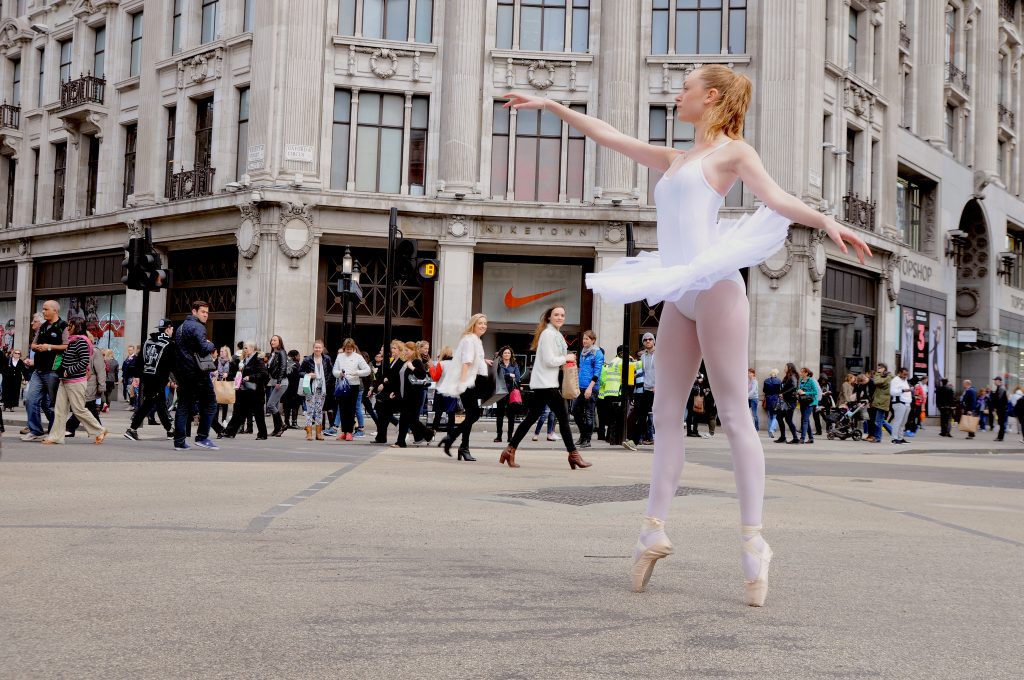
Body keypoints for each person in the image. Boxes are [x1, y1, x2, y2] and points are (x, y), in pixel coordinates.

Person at [506, 63, 872, 604]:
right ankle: (652, 528)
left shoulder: (733, 153)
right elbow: (613, 137)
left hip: (717, 286)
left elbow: (777, 198)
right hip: (679, 293)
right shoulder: (677, 160)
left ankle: (754, 541)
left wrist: (827, 223)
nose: (678, 96)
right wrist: (556, 109)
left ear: (713, 97)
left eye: (686, 89)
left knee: (733, 415)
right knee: (662, 415)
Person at [502, 306, 591, 470]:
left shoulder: (556, 335)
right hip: (546, 384)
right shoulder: (549, 334)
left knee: (531, 418)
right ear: (549, 317)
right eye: (556, 315)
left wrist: (567, 359)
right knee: (564, 418)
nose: (559, 317)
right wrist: (567, 357)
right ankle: (574, 455)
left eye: (562, 315)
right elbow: (549, 360)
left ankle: (510, 449)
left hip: (546, 383)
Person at [40, 316, 108, 446]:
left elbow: (83, 362)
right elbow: (65, 359)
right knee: (60, 409)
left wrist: (67, 371)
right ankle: (55, 436)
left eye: (69, 325)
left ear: (76, 326)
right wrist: (61, 371)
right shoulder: (70, 341)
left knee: (78, 410)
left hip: (76, 381)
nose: (67, 328)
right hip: (64, 380)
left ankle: (99, 430)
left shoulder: (81, 341)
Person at [438, 314, 491, 461]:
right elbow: (466, 362)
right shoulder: (470, 340)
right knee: (474, 415)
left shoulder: (475, 340)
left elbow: (472, 359)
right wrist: (462, 383)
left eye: (485, 323)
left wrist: (483, 360)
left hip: (473, 381)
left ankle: (461, 445)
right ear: (473, 324)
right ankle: (453, 440)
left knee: (471, 415)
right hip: (468, 382)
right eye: (480, 323)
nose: (483, 326)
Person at [172, 300, 220, 451]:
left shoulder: (180, 328)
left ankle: (179, 442)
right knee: (211, 403)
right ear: (194, 312)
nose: (206, 315)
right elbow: (203, 347)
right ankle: (202, 437)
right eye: (203, 312)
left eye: (207, 312)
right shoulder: (198, 327)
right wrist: (212, 344)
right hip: (197, 372)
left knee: (183, 406)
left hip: (183, 373)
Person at [21, 300, 68, 442]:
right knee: (30, 399)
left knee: (54, 404)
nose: (43, 311)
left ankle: (55, 432)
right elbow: (33, 344)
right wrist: (37, 347)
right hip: (38, 370)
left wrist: (49, 347)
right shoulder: (42, 327)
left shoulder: (63, 326)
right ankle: (36, 430)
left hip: (53, 371)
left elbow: (66, 345)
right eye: (43, 309)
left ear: (55, 310)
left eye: (46, 309)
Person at [124, 319, 176, 441]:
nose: (172, 331)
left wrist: (137, 376)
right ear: (168, 328)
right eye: (172, 329)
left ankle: (169, 430)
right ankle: (132, 429)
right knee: (148, 405)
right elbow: (172, 365)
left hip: (147, 378)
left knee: (160, 405)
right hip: (159, 380)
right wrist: (175, 380)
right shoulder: (169, 344)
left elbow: (140, 361)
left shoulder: (148, 341)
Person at [222, 341, 269, 440]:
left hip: (255, 392)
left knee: (258, 413)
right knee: (238, 412)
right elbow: (238, 372)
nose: (244, 349)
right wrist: (232, 375)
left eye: (246, 348)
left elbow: (264, 374)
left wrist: (250, 377)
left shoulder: (257, 360)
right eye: (244, 348)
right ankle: (230, 432)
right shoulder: (243, 360)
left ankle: (262, 434)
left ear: (253, 349)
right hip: (243, 390)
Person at [392, 341, 434, 448]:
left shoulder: (416, 362)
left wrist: (412, 368)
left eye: (407, 350)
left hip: (414, 396)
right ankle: (428, 434)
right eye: (404, 350)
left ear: (413, 351)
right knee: (407, 419)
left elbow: (422, 374)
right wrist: (395, 392)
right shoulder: (405, 362)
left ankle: (401, 442)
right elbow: (400, 379)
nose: (405, 352)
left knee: (408, 419)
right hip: (404, 395)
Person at [66, 333, 107, 438]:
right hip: (79, 382)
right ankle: (98, 430)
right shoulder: (78, 350)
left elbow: (101, 370)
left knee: (82, 407)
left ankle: (70, 428)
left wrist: (101, 387)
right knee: (87, 407)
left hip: (90, 384)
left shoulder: (95, 351)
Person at [622, 332, 656, 451]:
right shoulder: (642, 356)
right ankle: (634, 441)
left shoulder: (660, 354)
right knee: (640, 416)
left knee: (660, 417)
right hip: (643, 390)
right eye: (645, 340)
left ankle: (665, 441)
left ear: (654, 341)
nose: (648, 341)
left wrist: (658, 385)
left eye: (650, 339)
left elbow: (664, 371)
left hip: (655, 390)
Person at [332, 338, 371, 441]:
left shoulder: (358, 357)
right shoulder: (340, 356)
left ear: (353, 348)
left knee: (351, 409)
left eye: (350, 349)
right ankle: (344, 431)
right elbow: (334, 370)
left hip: (353, 385)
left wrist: (357, 373)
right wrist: (339, 373)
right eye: (346, 349)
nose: (348, 351)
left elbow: (367, 370)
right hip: (342, 384)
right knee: (342, 409)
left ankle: (349, 431)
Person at [572, 330, 604, 449]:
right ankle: (583, 434)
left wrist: (590, 388)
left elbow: (597, 372)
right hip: (580, 386)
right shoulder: (583, 352)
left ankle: (587, 439)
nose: (584, 341)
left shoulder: (597, 353)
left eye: (587, 339)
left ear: (593, 340)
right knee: (575, 410)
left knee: (589, 414)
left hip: (591, 388)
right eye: (584, 339)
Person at [300, 340, 332, 441]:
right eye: (316, 347)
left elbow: (331, 372)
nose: (317, 349)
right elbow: (299, 372)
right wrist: (308, 374)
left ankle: (319, 433)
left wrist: (326, 382)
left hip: (321, 388)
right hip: (310, 387)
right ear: (313, 348)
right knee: (309, 410)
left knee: (319, 410)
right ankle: (309, 432)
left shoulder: (326, 359)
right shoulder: (307, 359)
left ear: (322, 349)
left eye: (319, 348)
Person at [373, 340, 404, 444]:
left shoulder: (400, 362)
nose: (393, 350)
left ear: (400, 350)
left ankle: (381, 436)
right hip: (387, 391)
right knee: (382, 415)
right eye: (392, 348)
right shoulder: (392, 361)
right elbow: (388, 375)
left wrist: (385, 383)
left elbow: (396, 378)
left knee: (385, 414)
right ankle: (381, 437)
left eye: (395, 348)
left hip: (392, 392)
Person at [493, 346, 522, 443]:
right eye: (505, 353)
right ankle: (499, 436)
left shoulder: (514, 365)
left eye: (508, 353)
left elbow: (517, 378)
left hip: (511, 392)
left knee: (511, 416)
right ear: (502, 354)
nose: (507, 354)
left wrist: (507, 376)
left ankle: (510, 436)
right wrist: (509, 375)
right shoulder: (498, 364)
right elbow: (498, 376)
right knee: (499, 415)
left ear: (511, 355)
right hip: (500, 392)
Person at [775, 363, 800, 444]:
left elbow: (794, 387)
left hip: (791, 402)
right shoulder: (787, 377)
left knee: (788, 419)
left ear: (789, 368)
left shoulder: (793, 376)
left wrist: (783, 394)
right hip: (785, 401)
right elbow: (784, 387)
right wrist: (780, 393)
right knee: (779, 417)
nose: (784, 368)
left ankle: (795, 438)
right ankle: (783, 437)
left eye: (785, 367)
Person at [867, 363, 893, 443]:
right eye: (878, 368)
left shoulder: (888, 377)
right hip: (878, 401)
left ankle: (878, 438)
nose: (878, 370)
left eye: (880, 368)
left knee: (878, 421)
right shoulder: (885, 377)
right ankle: (894, 434)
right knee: (880, 421)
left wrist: (878, 374)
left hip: (882, 401)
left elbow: (877, 382)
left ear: (884, 368)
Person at [888, 367, 912, 445]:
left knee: (903, 422)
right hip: (899, 402)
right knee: (897, 421)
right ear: (900, 373)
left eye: (907, 374)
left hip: (906, 403)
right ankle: (894, 438)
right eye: (904, 374)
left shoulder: (904, 380)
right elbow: (892, 392)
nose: (906, 376)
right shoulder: (895, 380)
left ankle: (900, 437)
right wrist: (903, 390)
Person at [796, 367, 820, 444]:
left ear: (806, 373)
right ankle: (811, 438)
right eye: (801, 372)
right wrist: (798, 391)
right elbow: (799, 389)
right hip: (803, 402)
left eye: (802, 372)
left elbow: (815, 392)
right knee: (805, 420)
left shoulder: (811, 381)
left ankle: (802, 438)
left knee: (805, 420)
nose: (800, 373)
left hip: (810, 403)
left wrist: (805, 393)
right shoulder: (801, 380)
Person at [283, 349, 302, 429]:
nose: (299, 357)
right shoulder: (297, 364)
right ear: (295, 356)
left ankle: (286, 422)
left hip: (286, 388)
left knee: (286, 406)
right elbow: (299, 375)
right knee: (295, 406)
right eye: (298, 356)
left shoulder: (285, 363)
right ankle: (294, 422)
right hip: (295, 388)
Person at [762, 368, 782, 438]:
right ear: (776, 373)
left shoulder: (766, 381)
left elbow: (764, 390)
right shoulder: (779, 381)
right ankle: (771, 430)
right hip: (776, 399)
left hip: (768, 399)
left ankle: (769, 431)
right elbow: (780, 391)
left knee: (770, 416)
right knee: (775, 416)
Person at [991, 377, 1008, 441]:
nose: (994, 382)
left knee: (1001, 423)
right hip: (1000, 409)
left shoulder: (1001, 389)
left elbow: (999, 400)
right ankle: (1000, 437)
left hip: (1001, 410)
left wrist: (996, 409)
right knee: (1001, 423)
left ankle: (1000, 437)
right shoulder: (999, 388)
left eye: (995, 380)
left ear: (999, 381)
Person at [747, 368, 759, 432]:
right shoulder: (748, 381)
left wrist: (747, 395)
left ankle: (756, 429)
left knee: (754, 414)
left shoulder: (755, 381)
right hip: (748, 399)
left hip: (754, 399)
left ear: (753, 374)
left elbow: (753, 390)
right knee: (746, 413)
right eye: (748, 373)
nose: (749, 374)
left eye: (750, 373)